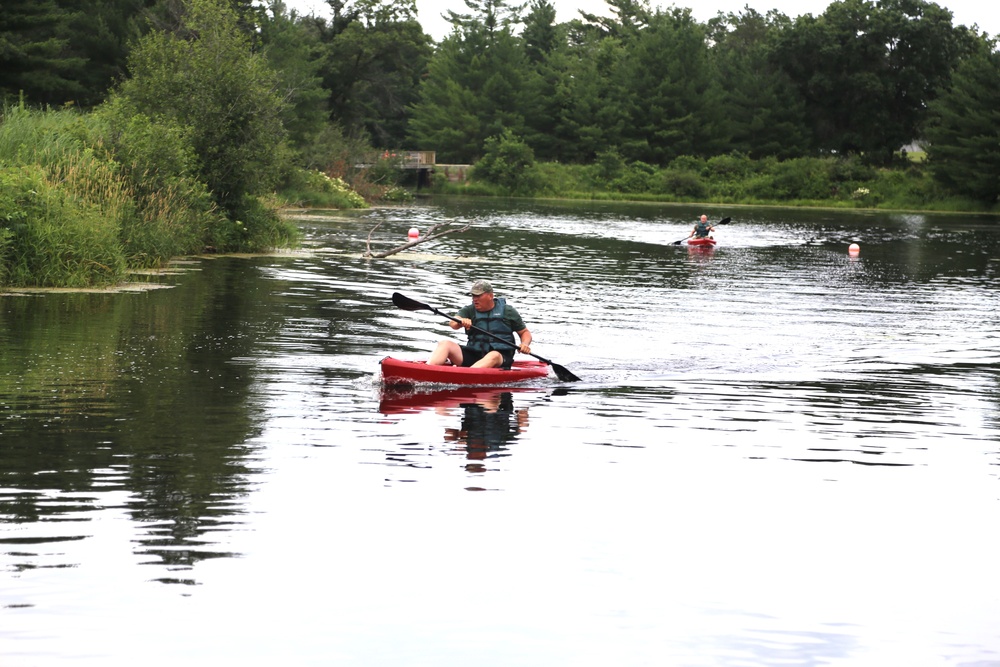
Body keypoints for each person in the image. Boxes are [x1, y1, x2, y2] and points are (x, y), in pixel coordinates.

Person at [427, 280, 532, 369]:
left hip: (500, 358)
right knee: (445, 343)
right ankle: (428, 370)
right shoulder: (469, 310)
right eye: (473, 295)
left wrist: (525, 344)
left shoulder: (508, 311)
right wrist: (461, 321)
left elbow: (524, 332)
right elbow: (453, 323)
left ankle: (465, 376)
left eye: (478, 295)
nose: (474, 299)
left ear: (490, 296)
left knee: (493, 355)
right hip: (474, 355)